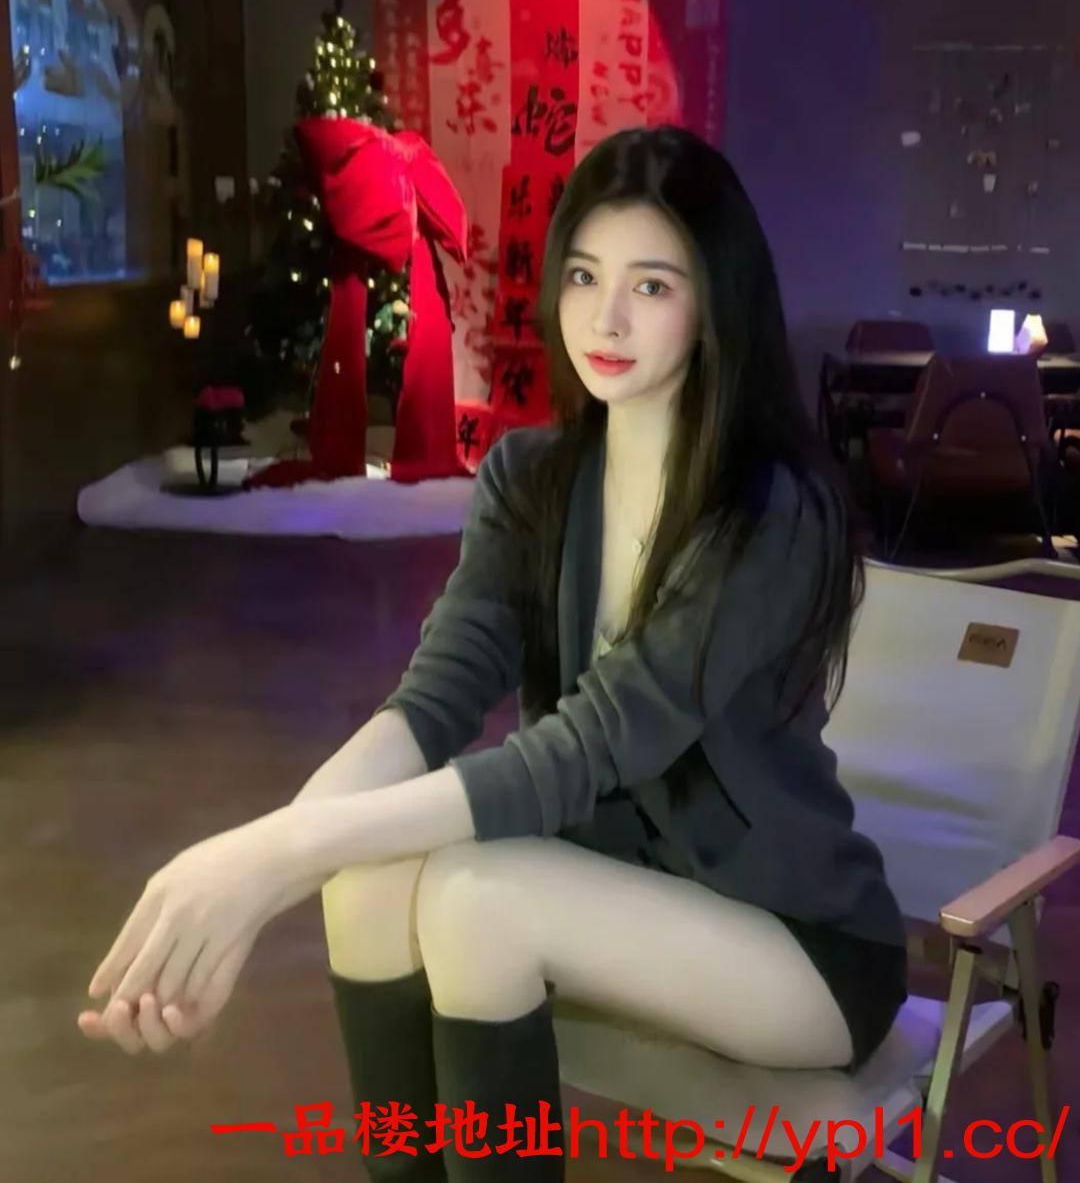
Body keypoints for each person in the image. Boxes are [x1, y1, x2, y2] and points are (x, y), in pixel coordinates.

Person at [78, 125, 907, 1179]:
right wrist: (273, 860)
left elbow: (583, 750)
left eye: (652, 286)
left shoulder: (767, 512)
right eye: (584, 276)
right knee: (367, 882)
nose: (604, 319)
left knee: (478, 896)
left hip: (798, 945)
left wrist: (268, 859)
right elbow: (430, 705)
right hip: (621, 898)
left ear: (715, 305)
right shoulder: (530, 482)